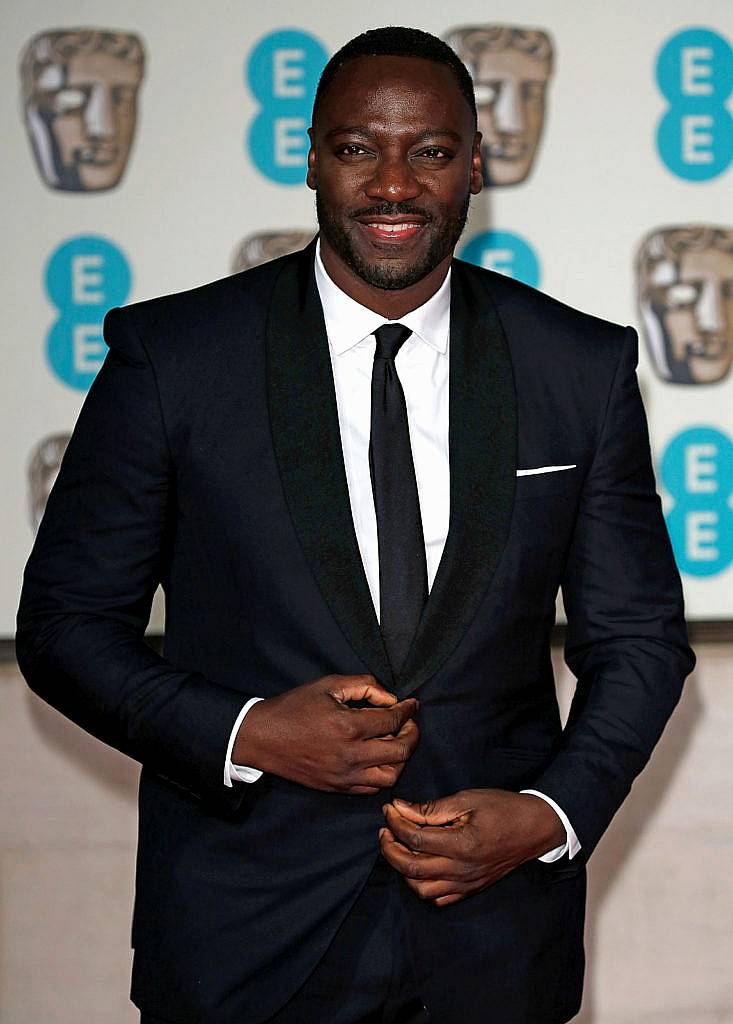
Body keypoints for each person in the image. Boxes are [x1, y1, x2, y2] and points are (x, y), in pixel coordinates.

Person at [16, 25, 694, 1024]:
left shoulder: (574, 367)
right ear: (309, 161)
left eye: (427, 151)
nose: (391, 185)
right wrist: (252, 731)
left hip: (494, 938)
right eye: (355, 148)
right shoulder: (175, 358)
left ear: (474, 163)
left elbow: (637, 641)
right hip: (247, 937)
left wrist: (546, 815)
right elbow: (65, 627)